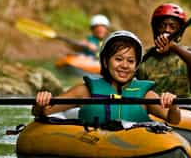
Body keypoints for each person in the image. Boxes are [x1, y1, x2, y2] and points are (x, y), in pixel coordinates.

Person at [34, 30, 180, 126]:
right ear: (105, 61)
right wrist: (41, 103)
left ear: (136, 66)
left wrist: (173, 105)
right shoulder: (84, 92)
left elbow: (174, 120)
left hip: (137, 147)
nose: (124, 65)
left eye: (130, 61)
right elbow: (45, 112)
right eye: (118, 59)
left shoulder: (146, 96)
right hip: (92, 144)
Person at [136, 3, 191, 97]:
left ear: (179, 32)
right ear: (155, 30)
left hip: (182, 107)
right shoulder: (142, 56)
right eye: (162, 26)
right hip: (151, 107)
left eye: (172, 27)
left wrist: (173, 47)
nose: (167, 30)